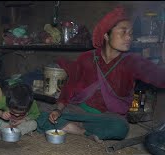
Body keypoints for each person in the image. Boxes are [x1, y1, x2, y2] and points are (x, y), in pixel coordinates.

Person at [39, 6, 165, 143]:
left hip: (107, 117)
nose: (129, 37)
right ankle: (82, 132)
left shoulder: (132, 61)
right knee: (40, 113)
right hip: (79, 110)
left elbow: (159, 77)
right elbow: (69, 87)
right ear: (106, 35)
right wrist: (58, 110)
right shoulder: (86, 58)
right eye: (123, 32)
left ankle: (71, 127)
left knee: (120, 127)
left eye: (131, 33)